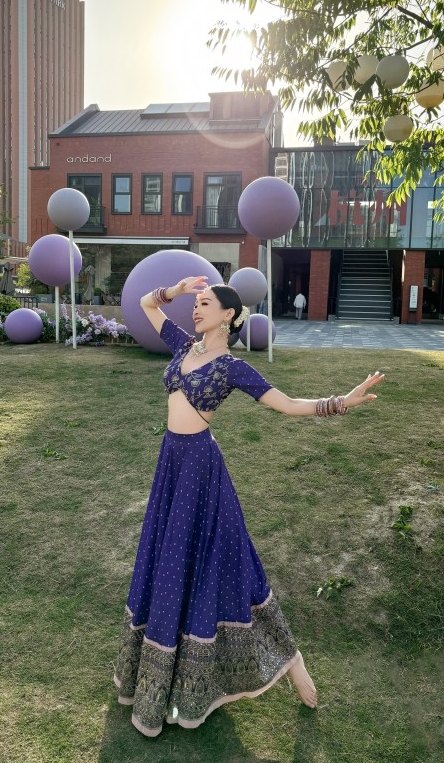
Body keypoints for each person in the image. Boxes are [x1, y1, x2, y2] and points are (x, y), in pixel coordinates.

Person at [113, 276, 384, 737]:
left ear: (228, 315)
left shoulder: (232, 368)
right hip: (171, 464)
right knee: (169, 563)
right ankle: (160, 683)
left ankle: (292, 661)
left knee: (224, 562)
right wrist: (175, 291)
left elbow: (288, 404)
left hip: (200, 469)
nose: (196, 309)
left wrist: (342, 402)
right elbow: (145, 304)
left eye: (204, 303)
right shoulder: (183, 346)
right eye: (196, 303)